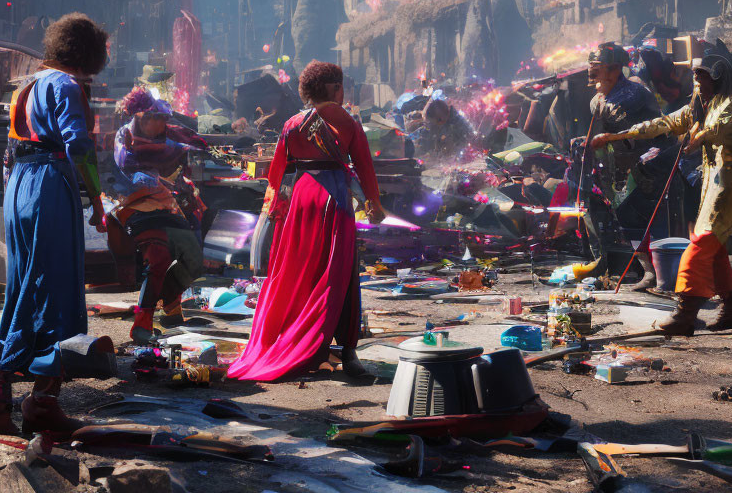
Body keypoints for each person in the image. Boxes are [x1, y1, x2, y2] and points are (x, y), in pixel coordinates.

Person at [0, 13, 108, 437]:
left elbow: (10, 151)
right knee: (57, 291)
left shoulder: (28, 85)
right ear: (88, 51)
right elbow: (79, 147)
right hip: (49, 183)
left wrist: (16, 195)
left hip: (20, 187)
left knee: (24, 287)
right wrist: (98, 200)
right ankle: (43, 404)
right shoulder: (66, 85)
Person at [228, 61, 384, 382]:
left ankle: (302, 340)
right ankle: (348, 352)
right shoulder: (347, 122)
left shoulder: (292, 124)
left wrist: (276, 210)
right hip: (334, 203)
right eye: (340, 86)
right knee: (339, 275)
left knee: (300, 272)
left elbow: (278, 174)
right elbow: (365, 167)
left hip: (301, 203)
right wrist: (373, 203)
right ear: (333, 88)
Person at [592, 55, 732, 335]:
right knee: (716, 245)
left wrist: (698, 136)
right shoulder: (699, 104)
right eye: (695, 75)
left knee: (701, 242)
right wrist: (617, 135)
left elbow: (723, 126)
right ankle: (730, 308)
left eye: (702, 76)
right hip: (715, 180)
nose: (696, 81)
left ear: (718, 78)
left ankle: (686, 312)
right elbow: (664, 123)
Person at [109, 87, 207, 343]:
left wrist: (203, 150)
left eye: (164, 119)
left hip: (165, 203)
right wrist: (143, 176)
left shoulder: (169, 133)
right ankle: (142, 323)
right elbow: (125, 166)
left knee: (195, 260)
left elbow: (193, 142)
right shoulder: (125, 135)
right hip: (134, 205)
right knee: (159, 258)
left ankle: (167, 303)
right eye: (157, 119)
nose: (162, 124)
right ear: (142, 118)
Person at [585, 42, 677, 291]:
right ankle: (648, 271)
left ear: (614, 69)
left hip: (648, 164)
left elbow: (642, 133)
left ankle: (665, 275)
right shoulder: (597, 100)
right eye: (591, 64)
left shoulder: (632, 94)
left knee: (652, 220)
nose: (591, 70)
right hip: (617, 169)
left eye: (597, 66)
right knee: (627, 221)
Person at [412, 98, 477, 160]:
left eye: (432, 123)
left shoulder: (457, 125)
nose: (431, 127)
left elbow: (460, 149)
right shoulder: (446, 122)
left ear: (441, 119)